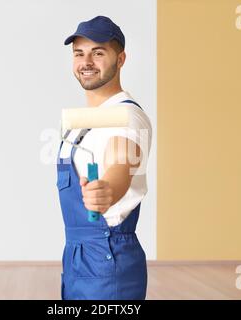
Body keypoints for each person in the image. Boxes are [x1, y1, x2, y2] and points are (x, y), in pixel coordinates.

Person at [56, 15, 152, 300]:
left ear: (120, 59)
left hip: (108, 257)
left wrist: (107, 190)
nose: (87, 62)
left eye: (98, 53)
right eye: (79, 53)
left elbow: (121, 163)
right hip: (77, 257)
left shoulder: (126, 117)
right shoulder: (85, 122)